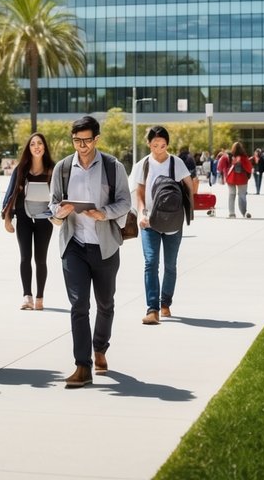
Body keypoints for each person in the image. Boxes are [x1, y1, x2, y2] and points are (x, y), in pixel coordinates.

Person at [47, 115, 132, 389]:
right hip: (74, 245)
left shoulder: (112, 166)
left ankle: (100, 348)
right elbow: (53, 204)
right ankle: (82, 366)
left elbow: (125, 202)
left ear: (96, 139)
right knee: (78, 305)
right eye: (76, 140)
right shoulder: (62, 168)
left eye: (86, 140)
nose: (81, 146)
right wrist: (60, 212)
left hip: (105, 245)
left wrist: (102, 213)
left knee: (105, 303)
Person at [132, 126, 196, 325]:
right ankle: (153, 309)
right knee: (151, 262)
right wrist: (142, 213)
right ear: (149, 144)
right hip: (149, 221)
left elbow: (190, 189)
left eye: (163, 145)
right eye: (155, 145)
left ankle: (165, 302)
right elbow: (139, 192)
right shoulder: (143, 165)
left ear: (167, 144)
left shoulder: (176, 163)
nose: (159, 149)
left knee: (170, 265)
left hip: (173, 222)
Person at [1, 132, 56, 311]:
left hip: (44, 219)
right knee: (25, 257)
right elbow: (10, 194)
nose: (36, 147)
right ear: (29, 148)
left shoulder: (52, 169)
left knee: (41, 259)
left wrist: (58, 215)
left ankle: (39, 297)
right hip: (24, 217)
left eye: (40, 143)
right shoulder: (21, 169)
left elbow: (60, 195)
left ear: (45, 147)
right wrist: (7, 217)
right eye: (33, 144)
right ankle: (27, 297)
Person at [224, 141, 252, 218]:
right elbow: (249, 168)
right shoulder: (244, 158)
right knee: (242, 195)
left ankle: (232, 213)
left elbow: (221, 165)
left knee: (231, 195)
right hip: (242, 179)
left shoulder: (229, 156)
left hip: (231, 178)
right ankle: (244, 213)